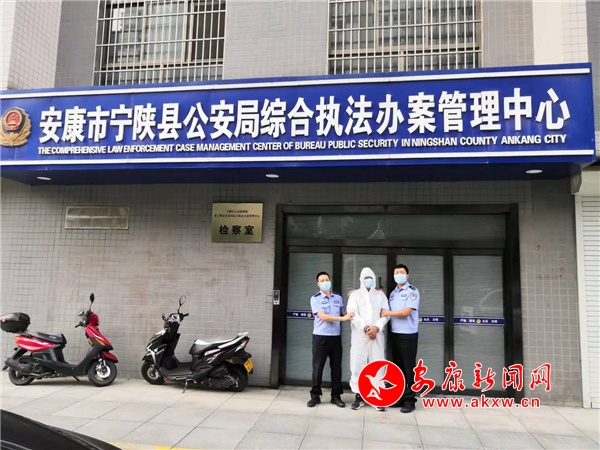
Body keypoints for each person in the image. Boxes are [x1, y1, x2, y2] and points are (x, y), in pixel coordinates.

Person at [308, 271, 354, 408]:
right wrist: (343, 319)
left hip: (335, 338)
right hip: (320, 338)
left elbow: (344, 312)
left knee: (336, 368)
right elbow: (323, 317)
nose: (325, 282)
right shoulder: (315, 299)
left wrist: (352, 298)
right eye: (322, 280)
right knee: (318, 368)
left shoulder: (337, 298)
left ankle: (336, 396)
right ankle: (315, 396)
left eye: (327, 280)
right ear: (318, 284)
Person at [347, 267, 390, 411]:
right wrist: (365, 328)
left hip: (377, 335)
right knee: (357, 363)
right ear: (361, 280)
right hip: (360, 335)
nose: (368, 280)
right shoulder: (355, 295)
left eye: (370, 278)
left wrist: (377, 327)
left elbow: (386, 314)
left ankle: (377, 397)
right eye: (365, 278)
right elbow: (352, 314)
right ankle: (359, 396)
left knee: (377, 364)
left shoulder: (380, 295)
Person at [381, 263, 420, 413]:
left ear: (407, 275)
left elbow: (406, 312)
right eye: (396, 272)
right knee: (397, 369)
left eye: (401, 272)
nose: (399, 274)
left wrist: (387, 313)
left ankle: (410, 401)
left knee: (408, 369)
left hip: (408, 335)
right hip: (395, 334)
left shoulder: (412, 291)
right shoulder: (393, 293)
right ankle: (400, 397)